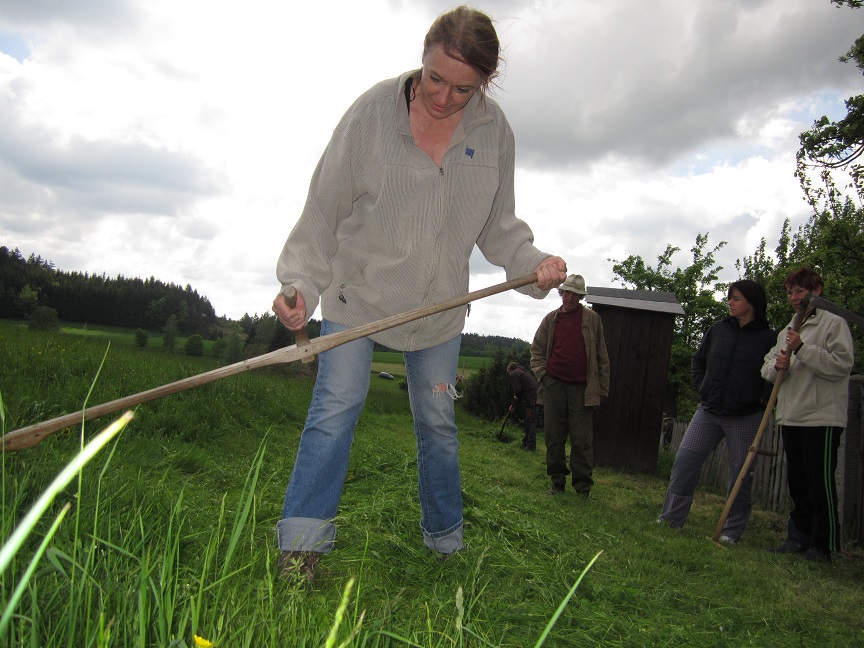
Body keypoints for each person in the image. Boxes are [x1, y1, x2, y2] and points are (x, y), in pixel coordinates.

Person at [272, 6, 567, 578]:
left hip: (438, 311)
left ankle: (445, 541)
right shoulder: (371, 116)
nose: (443, 97)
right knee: (336, 409)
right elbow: (323, 208)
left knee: (437, 425)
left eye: (464, 88)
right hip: (359, 299)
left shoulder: (494, 131)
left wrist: (535, 264)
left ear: (486, 81)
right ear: (422, 59)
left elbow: (499, 228)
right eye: (435, 79)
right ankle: (302, 548)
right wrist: (299, 284)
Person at [656, 280, 776, 543]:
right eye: (730, 298)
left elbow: (774, 377)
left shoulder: (769, 338)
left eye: (736, 298)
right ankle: (672, 519)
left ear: (752, 303)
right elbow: (698, 361)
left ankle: (731, 532)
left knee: (739, 475)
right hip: (708, 411)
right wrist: (703, 387)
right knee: (684, 464)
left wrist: (758, 399)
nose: (730, 302)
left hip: (745, 416)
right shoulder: (718, 330)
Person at [762, 267, 854, 562]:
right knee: (798, 481)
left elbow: (841, 365)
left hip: (821, 417)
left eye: (800, 291)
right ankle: (797, 538)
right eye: (790, 292)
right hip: (790, 414)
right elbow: (766, 367)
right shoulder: (787, 330)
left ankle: (823, 546)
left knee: (819, 481)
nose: (793, 297)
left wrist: (802, 348)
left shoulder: (833, 324)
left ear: (818, 291)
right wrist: (777, 366)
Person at [530, 274, 609, 496]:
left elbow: (602, 356)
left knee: (582, 439)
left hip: (582, 388)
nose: (569, 297)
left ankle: (583, 487)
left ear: (581, 296)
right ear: (561, 293)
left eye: (574, 294)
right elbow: (536, 350)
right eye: (566, 292)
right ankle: (557, 483)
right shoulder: (550, 319)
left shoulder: (593, 319)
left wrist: (602, 388)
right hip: (553, 385)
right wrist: (543, 376)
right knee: (553, 437)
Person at [506, 361, 540, 450]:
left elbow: (518, 391)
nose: (510, 375)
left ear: (511, 370)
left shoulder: (514, 374)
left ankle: (531, 445)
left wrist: (514, 405)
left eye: (509, 373)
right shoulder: (523, 373)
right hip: (537, 397)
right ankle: (526, 443)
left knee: (530, 421)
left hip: (532, 398)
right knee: (530, 420)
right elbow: (520, 393)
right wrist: (515, 405)